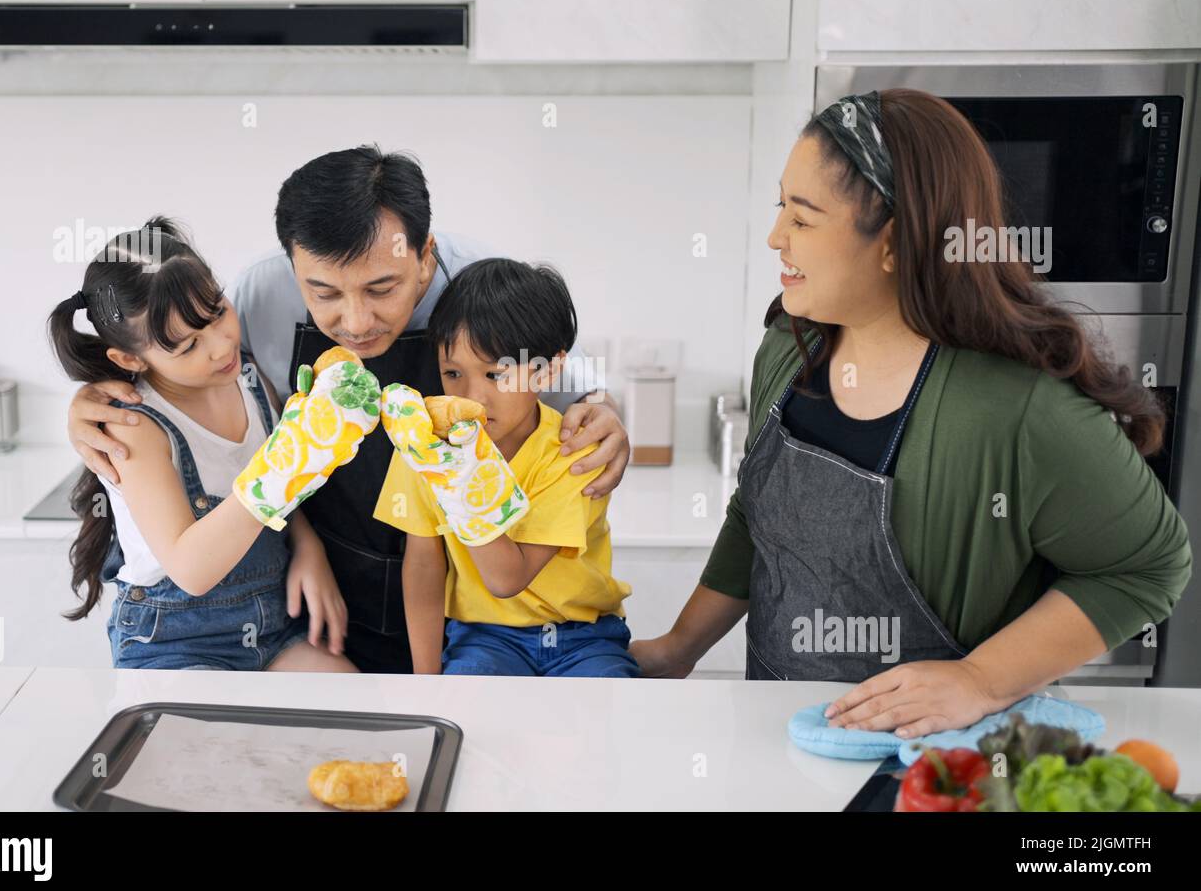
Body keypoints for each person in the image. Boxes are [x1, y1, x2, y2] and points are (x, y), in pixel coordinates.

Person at [632, 89, 1192, 738]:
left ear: (894, 242)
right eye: (780, 207)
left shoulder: (1018, 408)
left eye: (804, 218)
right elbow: (755, 517)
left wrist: (980, 679)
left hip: (936, 764)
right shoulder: (790, 345)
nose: (775, 236)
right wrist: (680, 647)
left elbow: (1148, 567)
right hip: (780, 741)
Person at [63, 146, 632, 672]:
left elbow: (574, 386)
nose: (356, 323)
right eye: (326, 295)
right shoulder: (257, 295)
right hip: (317, 603)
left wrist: (605, 413)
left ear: (425, 256)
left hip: (460, 611)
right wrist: (90, 395)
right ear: (293, 266)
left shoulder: (481, 281)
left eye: (382, 289)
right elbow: (179, 376)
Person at [48, 217, 369, 671]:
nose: (220, 348)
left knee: (357, 714)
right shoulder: (135, 428)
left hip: (273, 625)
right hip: (177, 641)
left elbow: (282, 503)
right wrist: (285, 467)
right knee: (219, 743)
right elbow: (191, 570)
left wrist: (308, 546)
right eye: (187, 346)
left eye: (218, 311)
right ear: (129, 359)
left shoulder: (253, 382)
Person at [374, 258, 637, 677]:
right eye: (453, 372)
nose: (473, 395)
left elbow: (506, 577)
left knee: (606, 712)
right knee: (471, 715)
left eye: (496, 374)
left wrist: (454, 474)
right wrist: (425, 682)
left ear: (547, 370)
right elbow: (423, 565)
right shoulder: (421, 446)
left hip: (584, 638)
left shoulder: (573, 451)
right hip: (484, 636)